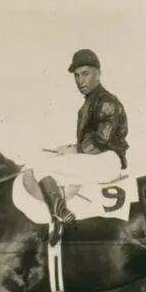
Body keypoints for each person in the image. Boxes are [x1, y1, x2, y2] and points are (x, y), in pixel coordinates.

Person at [25, 48, 129, 245]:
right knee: (50, 163)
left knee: (40, 168)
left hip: (106, 160)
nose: (80, 81)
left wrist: (74, 150)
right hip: (99, 158)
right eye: (76, 76)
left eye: (85, 74)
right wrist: (69, 147)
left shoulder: (106, 101)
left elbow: (103, 139)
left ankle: (61, 215)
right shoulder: (91, 102)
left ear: (98, 74)